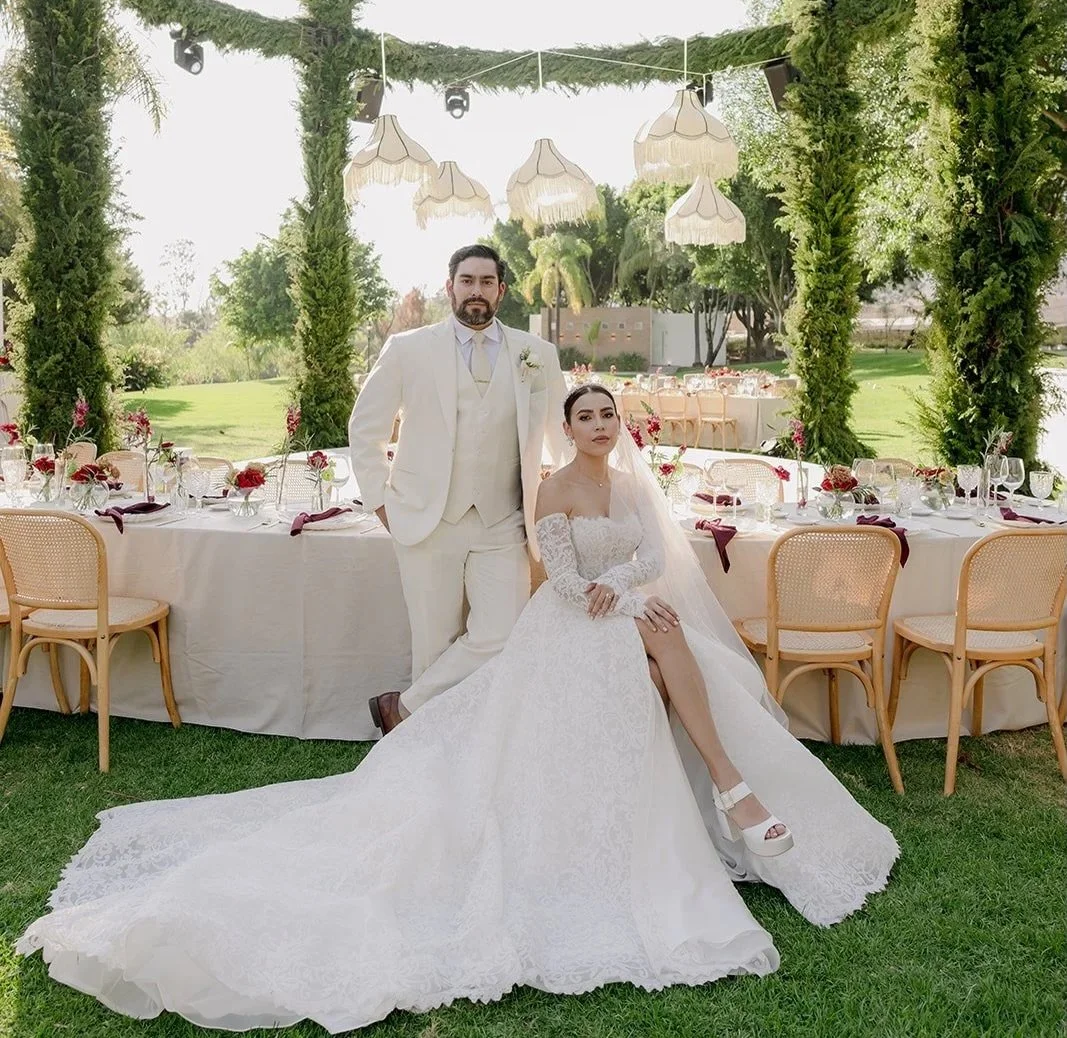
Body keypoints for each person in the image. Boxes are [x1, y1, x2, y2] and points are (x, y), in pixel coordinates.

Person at [17, 384, 898, 1033]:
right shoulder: (554, 490)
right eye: (586, 417)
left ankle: (732, 784)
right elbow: (557, 572)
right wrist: (606, 595)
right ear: (567, 430)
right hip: (571, 622)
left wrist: (629, 590)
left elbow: (646, 560)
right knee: (663, 643)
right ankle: (732, 789)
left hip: (625, 609)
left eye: (608, 416)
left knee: (670, 637)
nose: (600, 426)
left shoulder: (634, 488)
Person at [348, 243, 566, 733]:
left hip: (504, 521)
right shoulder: (408, 349)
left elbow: (560, 435)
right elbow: (365, 429)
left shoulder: (537, 354)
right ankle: (427, 747)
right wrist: (381, 504)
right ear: (449, 288)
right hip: (426, 518)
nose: (476, 291)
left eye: (487, 282)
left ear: (501, 290)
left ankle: (401, 709)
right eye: (467, 281)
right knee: (433, 642)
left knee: (503, 633)